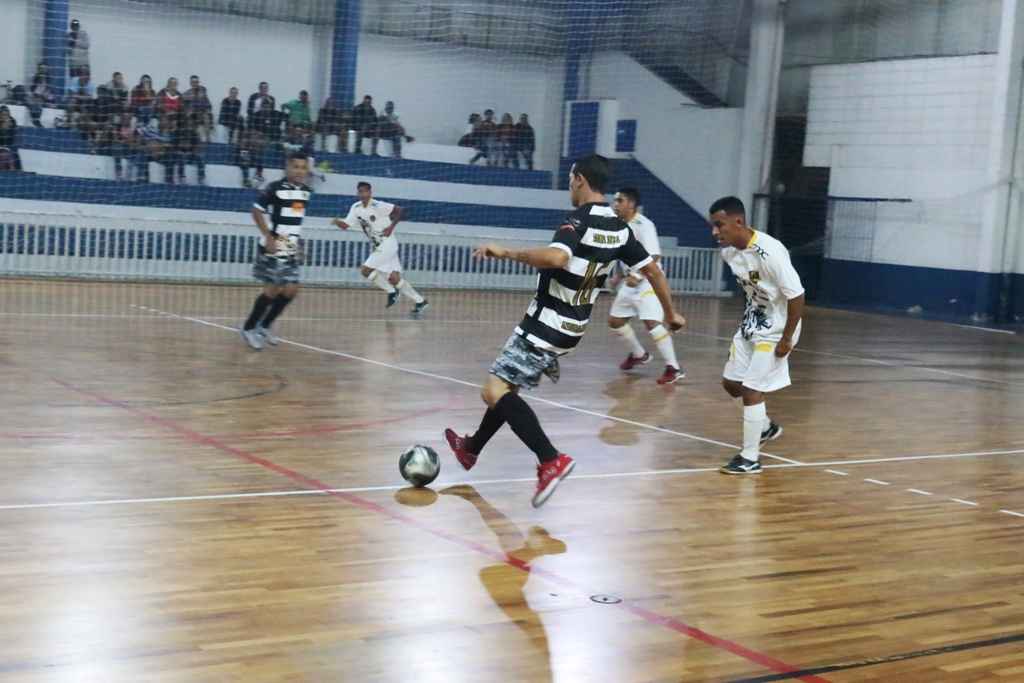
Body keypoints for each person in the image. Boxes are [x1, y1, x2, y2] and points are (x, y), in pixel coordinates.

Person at [443, 155, 686, 507]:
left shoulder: (577, 221)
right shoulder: (621, 228)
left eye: (571, 179)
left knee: (493, 391)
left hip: (547, 321)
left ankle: (549, 459)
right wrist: (671, 313)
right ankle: (471, 448)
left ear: (580, 180)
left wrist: (505, 252)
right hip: (572, 326)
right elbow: (654, 272)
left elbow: (556, 259)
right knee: (507, 386)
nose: (570, 186)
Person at [709, 196, 804, 475]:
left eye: (719, 225)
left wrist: (787, 338)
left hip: (776, 330)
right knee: (731, 384)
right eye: (712, 226)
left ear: (738, 222)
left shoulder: (769, 251)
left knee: (751, 389)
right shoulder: (729, 252)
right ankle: (764, 427)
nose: (715, 232)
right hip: (752, 325)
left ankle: (750, 458)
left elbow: (797, 296)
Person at [607, 188, 684, 385]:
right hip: (630, 281)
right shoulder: (618, 225)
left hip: (648, 280)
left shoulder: (644, 225)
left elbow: (654, 256)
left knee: (651, 322)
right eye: (615, 200)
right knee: (615, 321)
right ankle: (639, 354)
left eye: (620, 201)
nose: (615, 204)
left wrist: (636, 275)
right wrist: (618, 276)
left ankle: (674, 368)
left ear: (631, 204)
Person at [241, 153, 312, 350]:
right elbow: (256, 211)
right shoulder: (274, 188)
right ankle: (248, 328)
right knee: (272, 291)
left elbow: (294, 221)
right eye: (295, 166)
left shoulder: (306, 192)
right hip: (271, 244)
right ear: (287, 169)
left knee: (291, 290)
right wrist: (269, 237)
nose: (299, 171)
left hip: (289, 245)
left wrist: (298, 244)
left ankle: (264, 325)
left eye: (303, 167)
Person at [332, 181, 429, 316]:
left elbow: (400, 210)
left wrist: (391, 227)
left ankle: (391, 292)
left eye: (366, 191)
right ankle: (420, 301)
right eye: (360, 191)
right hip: (379, 245)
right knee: (394, 278)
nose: (363, 194)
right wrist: (337, 222)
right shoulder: (355, 208)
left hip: (388, 243)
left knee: (365, 270)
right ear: (357, 193)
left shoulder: (378, 205)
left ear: (370, 192)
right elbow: (346, 225)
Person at [182, 75, 213, 140]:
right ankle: (196, 140)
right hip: (193, 115)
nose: (195, 83)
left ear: (198, 82)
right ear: (190, 83)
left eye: (196, 82)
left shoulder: (203, 91)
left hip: (202, 113)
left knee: (206, 117)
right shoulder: (187, 94)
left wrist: (208, 109)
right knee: (190, 122)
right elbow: (183, 105)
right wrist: (188, 111)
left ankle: (208, 139)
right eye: (193, 82)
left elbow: (208, 104)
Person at [236, 122, 263, 188]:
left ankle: (256, 182)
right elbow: (242, 149)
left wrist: (253, 145)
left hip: (250, 157)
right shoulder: (244, 137)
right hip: (241, 157)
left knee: (259, 162)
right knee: (245, 159)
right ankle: (245, 180)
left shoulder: (255, 138)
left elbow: (258, 149)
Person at [28, 63, 54, 128]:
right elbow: (32, 88)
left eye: (44, 68)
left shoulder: (48, 77)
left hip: (45, 95)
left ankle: (35, 119)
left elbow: (49, 88)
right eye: (41, 68)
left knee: (40, 101)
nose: (43, 70)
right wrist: (37, 94)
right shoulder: (36, 77)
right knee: (36, 101)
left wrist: (45, 94)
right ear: (39, 69)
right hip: (37, 95)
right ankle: (36, 120)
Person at [0, 107, 23, 171]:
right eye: (2, 114)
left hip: (9, 147)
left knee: (15, 156)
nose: (4, 116)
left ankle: (18, 172)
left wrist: (7, 129)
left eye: (6, 114)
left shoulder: (12, 122)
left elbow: (14, 139)